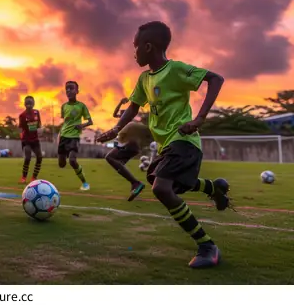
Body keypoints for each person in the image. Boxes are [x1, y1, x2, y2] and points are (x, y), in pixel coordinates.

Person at [97, 21, 230, 269]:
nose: (134, 52)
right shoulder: (144, 78)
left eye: (136, 47)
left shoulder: (176, 70)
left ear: (148, 47)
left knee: (162, 188)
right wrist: (115, 129)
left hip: (184, 140)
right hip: (166, 145)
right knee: (156, 179)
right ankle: (213, 187)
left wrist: (199, 119)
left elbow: (215, 79)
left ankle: (207, 246)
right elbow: (134, 106)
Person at [58, 81, 93, 191]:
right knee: (62, 164)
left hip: (74, 137)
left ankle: (85, 183)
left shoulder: (81, 106)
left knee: (72, 161)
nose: (68, 90)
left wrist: (82, 125)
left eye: (71, 88)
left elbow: (90, 121)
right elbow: (65, 121)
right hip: (63, 137)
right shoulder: (63, 106)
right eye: (67, 89)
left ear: (77, 91)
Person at [104, 119, 150, 201]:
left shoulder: (130, 125)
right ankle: (135, 185)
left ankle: (135, 183)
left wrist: (117, 143)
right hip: (136, 148)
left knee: (110, 157)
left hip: (130, 144)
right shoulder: (138, 126)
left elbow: (119, 139)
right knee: (119, 164)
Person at [18, 95, 43, 183]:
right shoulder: (22, 115)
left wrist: (40, 130)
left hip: (35, 140)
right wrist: (21, 139)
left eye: (31, 102)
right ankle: (24, 177)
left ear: (33, 103)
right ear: (24, 104)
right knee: (28, 158)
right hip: (26, 140)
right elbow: (20, 128)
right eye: (27, 102)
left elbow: (39, 124)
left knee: (39, 157)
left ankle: (34, 177)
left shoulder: (36, 112)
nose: (29, 104)